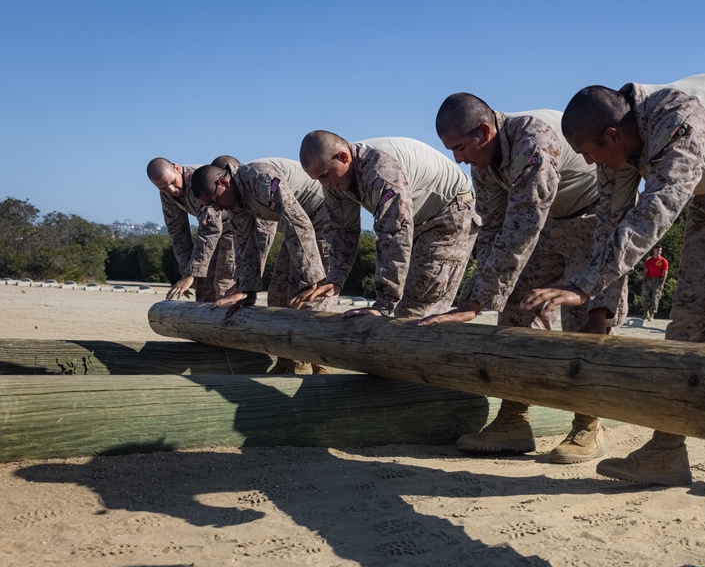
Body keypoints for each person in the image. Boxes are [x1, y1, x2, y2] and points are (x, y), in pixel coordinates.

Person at [521, 74, 705, 496]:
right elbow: (611, 226)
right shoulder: (618, 151)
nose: (588, 164)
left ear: (611, 134)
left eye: (589, 152)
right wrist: (598, 307)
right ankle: (666, 447)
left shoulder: (679, 117)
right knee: (686, 323)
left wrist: (584, 286)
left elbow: (656, 210)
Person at [420, 93, 627, 464]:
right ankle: (513, 419)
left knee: (587, 322)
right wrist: (483, 293)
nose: (458, 158)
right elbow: (493, 229)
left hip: (594, 220)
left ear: (483, 131)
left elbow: (524, 223)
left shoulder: (534, 139)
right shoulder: (482, 161)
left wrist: (476, 302)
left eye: (460, 147)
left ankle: (588, 424)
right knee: (516, 312)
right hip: (545, 228)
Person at [296, 131, 479, 318]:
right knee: (403, 314)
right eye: (318, 179)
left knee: (417, 310)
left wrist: (384, 304)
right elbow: (343, 230)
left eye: (325, 175)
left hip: (450, 213)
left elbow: (394, 233)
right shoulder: (335, 181)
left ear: (343, 157)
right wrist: (336, 278)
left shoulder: (381, 171)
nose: (325, 184)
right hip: (416, 220)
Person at [191, 158, 331, 373]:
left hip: (325, 219)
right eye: (211, 206)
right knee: (277, 295)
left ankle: (319, 366)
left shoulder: (261, 178)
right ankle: (287, 361)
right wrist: (247, 290)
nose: (217, 209)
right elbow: (246, 243)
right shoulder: (235, 201)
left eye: (214, 201)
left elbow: (297, 221)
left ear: (223, 183)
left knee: (307, 296)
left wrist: (312, 278)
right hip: (299, 228)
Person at [146, 157, 236, 302]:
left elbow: (210, 229)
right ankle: (203, 324)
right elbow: (178, 233)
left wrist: (191, 273)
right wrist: (186, 273)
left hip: (234, 225)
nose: (171, 190)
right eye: (163, 188)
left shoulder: (198, 180)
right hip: (212, 230)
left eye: (173, 182)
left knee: (223, 283)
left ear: (176, 168)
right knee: (203, 285)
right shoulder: (167, 194)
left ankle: (229, 322)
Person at [640, 246, 669, 321]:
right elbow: (645, 271)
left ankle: (652, 314)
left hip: (657, 280)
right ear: (654, 250)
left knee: (655, 298)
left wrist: (662, 283)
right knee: (645, 297)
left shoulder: (663, 261)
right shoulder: (649, 260)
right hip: (649, 280)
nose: (659, 251)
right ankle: (645, 312)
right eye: (657, 250)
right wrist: (644, 282)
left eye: (660, 250)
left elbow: (665, 273)